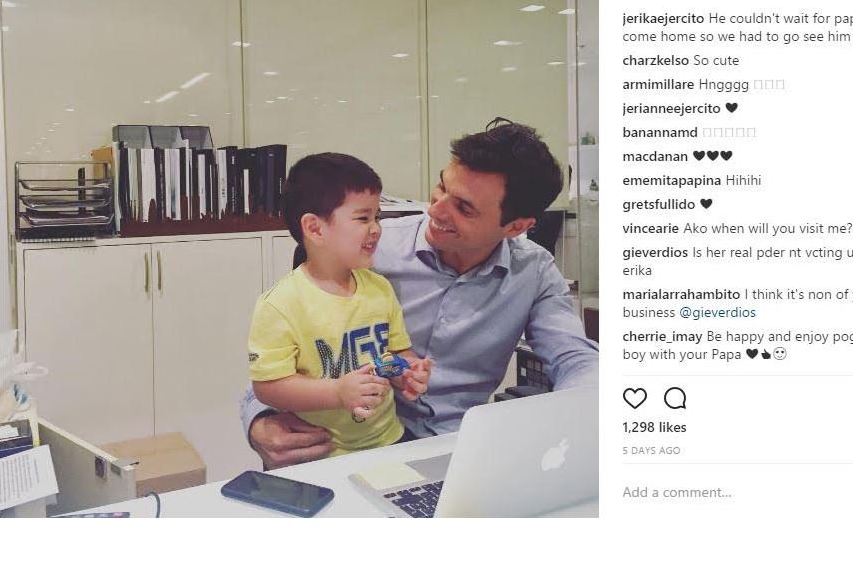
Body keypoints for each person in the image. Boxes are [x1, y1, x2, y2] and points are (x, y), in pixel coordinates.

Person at [241, 122, 599, 469]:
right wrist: (260, 420)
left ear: (516, 227)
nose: (435, 210)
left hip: (456, 448)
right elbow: (289, 359)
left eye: (464, 208)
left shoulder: (533, 272)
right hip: (349, 442)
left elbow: (575, 359)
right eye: (442, 187)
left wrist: (590, 414)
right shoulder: (367, 251)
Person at [246, 152, 431, 457]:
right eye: (363, 218)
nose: (376, 228)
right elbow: (268, 387)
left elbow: (395, 354)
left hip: (388, 440)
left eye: (377, 217)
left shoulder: (379, 289)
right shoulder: (280, 304)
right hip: (324, 453)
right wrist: (336, 392)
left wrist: (407, 372)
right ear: (315, 228)